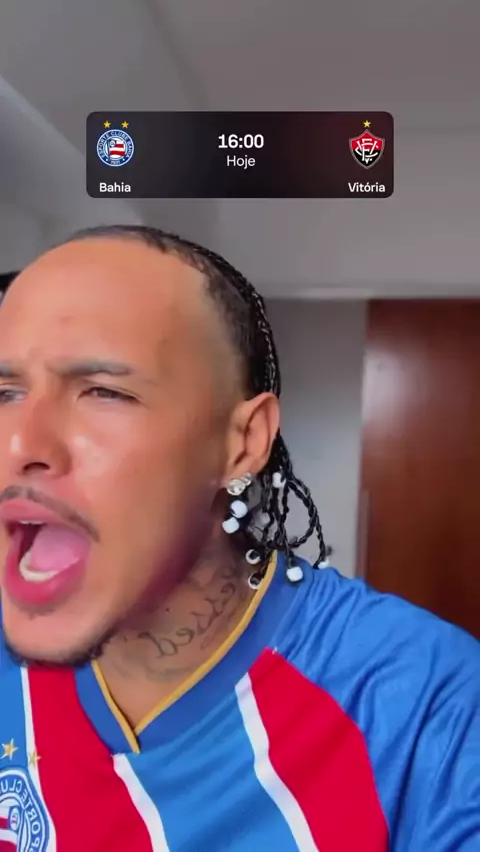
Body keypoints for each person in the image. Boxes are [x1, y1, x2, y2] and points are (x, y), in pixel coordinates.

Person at [0, 225, 478, 852]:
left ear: (244, 442)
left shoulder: (426, 706)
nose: (21, 443)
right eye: (5, 392)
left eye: (105, 392)